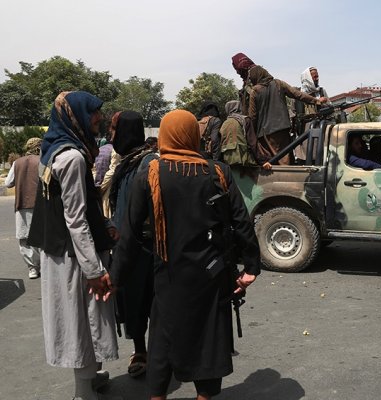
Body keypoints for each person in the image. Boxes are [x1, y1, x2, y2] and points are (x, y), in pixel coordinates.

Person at [110, 109, 261, 400]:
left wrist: (115, 278)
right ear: (194, 135)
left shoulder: (150, 173)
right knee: (209, 337)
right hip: (212, 275)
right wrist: (251, 267)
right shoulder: (217, 171)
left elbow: (128, 234)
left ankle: (158, 396)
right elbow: (242, 222)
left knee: (163, 340)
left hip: (168, 273)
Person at [27, 91, 120, 400]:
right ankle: (83, 391)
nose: (99, 118)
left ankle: (91, 378)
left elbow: (81, 205)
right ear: (76, 115)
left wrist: (105, 225)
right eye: (93, 113)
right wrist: (93, 268)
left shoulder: (56, 149)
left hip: (63, 251)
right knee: (82, 320)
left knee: (82, 318)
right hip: (75, 257)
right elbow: (75, 219)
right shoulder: (73, 157)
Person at [108, 111, 159, 378]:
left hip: (148, 246)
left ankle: (158, 353)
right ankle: (140, 349)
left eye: (114, 129)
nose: (111, 135)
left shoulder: (149, 163)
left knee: (153, 300)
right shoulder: (126, 163)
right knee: (133, 301)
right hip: (128, 245)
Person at [248, 65, 326, 165]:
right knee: (286, 160)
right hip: (283, 129)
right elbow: (298, 94)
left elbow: (253, 117)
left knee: (272, 163)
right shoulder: (278, 83)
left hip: (265, 134)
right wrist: (317, 101)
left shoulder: (255, 91)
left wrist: (252, 135)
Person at [5, 137, 43, 279]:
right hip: (40, 205)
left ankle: (32, 268)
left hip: (21, 205)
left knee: (24, 237)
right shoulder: (42, 161)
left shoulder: (17, 163)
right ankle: (43, 265)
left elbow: (9, 183)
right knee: (41, 236)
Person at [219, 100, 261, 166]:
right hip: (244, 162)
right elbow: (252, 143)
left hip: (227, 161)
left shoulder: (224, 123)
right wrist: (262, 161)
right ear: (239, 107)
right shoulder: (245, 120)